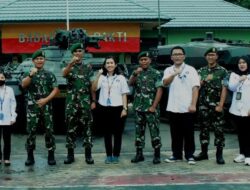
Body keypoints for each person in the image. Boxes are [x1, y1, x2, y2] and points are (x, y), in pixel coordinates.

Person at [162, 46, 200, 165]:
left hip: (187, 107)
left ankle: (189, 155)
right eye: (175, 54)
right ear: (171, 57)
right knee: (175, 133)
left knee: (188, 133)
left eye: (179, 54)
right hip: (173, 107)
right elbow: (165, 83)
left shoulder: (191, 69)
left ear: (184, 56)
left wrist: (193, 104)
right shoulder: (168, 70)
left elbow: (195, 87)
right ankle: (176, 155)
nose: (177, 56)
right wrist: (174, 74)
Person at [21, 50, 59, 166]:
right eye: (37, 59)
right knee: (31, 131)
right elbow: (23, 84)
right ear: (33, 61)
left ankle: (51, 155)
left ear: (44, 60)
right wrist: (31, 75)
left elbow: (55, 89)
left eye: (41, 58)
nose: (39, 60)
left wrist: (45, 100)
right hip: (33, 107)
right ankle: (30, 155)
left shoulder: (49, 74)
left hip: (46, 106)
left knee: (49, 131)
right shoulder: (28, 73)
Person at [92, 56, 129, 164]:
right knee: (107, 134)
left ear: (115, 65)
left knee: (118, 133)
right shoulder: (102, 78)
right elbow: (94, 88)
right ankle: (108, 155)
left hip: (118, 109)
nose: (109, 65)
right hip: (104, 109)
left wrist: (125, 108)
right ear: (104, 65)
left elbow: (124, 94)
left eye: (111, 63)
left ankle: (116, 155)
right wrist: (98, 74)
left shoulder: (121, 78)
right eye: (107, 63)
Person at [194, 47, 228, 165]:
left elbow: (225, 89)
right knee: (203, 129)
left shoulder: (223, 71)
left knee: (219, 130)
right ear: (205, 57)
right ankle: (204, 153)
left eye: (213, 55)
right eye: (209, 55)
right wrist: (203, 81)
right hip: (204, 105)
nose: (211, 57)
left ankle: (219, 155)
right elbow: (196, 87)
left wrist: (221, 105)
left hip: (217, 105)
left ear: (217, 57)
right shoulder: (201, 71)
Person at [62, 43, 94, 165]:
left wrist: (93, 101)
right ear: (72, 53)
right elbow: (64, 74)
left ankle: (88, 155)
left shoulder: (88, 67)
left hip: (85, 102)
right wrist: (71, 63)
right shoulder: (67, 65)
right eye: (75, 51)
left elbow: (91, 85)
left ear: (83, 53)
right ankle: (70, 155)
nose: (78, 53)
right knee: (70, 129)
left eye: (80, 51)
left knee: (87, 129)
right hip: (71, 103)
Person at [128, 51, 163, 164]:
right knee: (139, 132)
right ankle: (139, 154)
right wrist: (134, 74)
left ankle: (157, 154)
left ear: (150, 60)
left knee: (154, 131)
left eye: (145, 59)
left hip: (151, 108)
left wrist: (154, 106)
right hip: (139, 107)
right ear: (139, 61)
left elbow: (159, 90)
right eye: (141, 60)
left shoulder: (156, 73)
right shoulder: (136, 72)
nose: (143, 61)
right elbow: (129, 83)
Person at [228, 56, 250, 165]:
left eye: (244, 62)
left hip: (248, 109)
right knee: (241, 132)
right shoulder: (234, 75)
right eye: (240, 63)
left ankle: (248, 155)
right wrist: (239, 80)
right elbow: (231, 87)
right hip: (237, 109)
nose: (241, 64)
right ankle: (242, 154)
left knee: (248, 132)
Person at [0, 72, 17, 166]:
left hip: (7, 118)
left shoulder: (9, 90)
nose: (0, 79)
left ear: (5, 79)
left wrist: (13, 116)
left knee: (7, 140)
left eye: (2, 77)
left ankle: (7, 158)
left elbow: (13, 104)